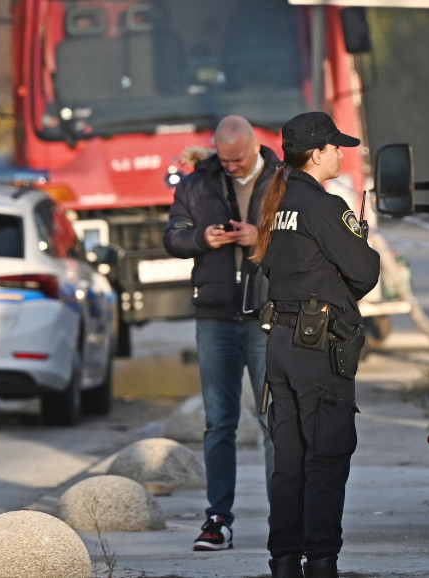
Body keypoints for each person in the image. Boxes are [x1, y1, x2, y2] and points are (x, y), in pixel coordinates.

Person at [251, 111, 380, 578]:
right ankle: (321, 561)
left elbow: (274, 269)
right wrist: (359, 245)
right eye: (334, 146)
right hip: (317, 347)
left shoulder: (278, 199)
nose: (341, 153)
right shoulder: (324, 207)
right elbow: (365, 272)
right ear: (317, 154)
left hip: (282, 342)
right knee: (325, 456)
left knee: (290, 461)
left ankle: (285, 560)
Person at [163, 115, 279, 552]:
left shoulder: (283, 180)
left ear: (254, 147)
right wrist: (200, 238)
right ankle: (217, 519)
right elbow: (171, 236)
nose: (230, 166)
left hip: (265, 313)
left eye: (237, 159)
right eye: (224, 159)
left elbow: (305, 238)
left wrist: (259, 236)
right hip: (214, 314)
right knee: (219, 423)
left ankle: (283, 518)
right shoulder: (196, 182)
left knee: (274, 421)